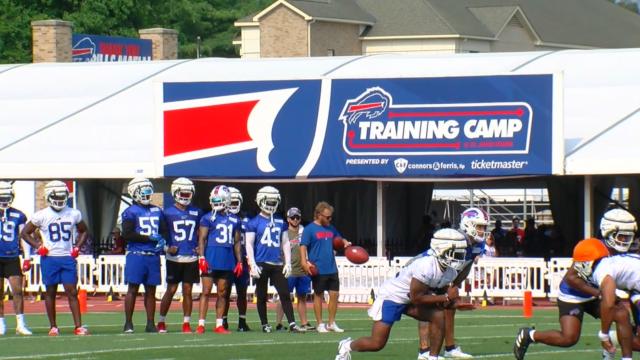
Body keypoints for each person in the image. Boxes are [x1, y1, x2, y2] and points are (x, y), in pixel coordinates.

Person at [513, 208, 637, 360]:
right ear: (608, 231)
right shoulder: (593, 249)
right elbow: (572, 278)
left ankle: (626, 358)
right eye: (621, 236)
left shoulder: (620, 253)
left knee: (622, 314)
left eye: (627, 237)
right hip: (573, 294)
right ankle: (530, 335)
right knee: (569, 338)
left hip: (597, 292)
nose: (625, 241)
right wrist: (598, 293)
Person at [335, 228, 469, 360]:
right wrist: (446, 297)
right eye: (456, 253)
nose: (459, 258)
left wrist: (455, 303)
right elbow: (417, 298)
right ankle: (346, 346)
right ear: (442, 249)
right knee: (377, 343)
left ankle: (433, 357)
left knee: (438, 316)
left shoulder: (449, 271)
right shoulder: (426, 265)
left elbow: (437, 295)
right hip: (392, 297)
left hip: (409, 299)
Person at [20, 180, 89, 336]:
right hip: (50, 258)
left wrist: (77, 246)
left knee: (72, 292)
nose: (59, 199)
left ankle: (78, 326)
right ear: (48, 196)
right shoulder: (41, 215)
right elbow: (24, 233)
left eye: (61, 195)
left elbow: (84, 231)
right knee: (50, 292)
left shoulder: (73, 213)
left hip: (66, 257)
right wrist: (38, 246)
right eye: (56, 196)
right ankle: (53, 326)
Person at [416, 207, 486, 359]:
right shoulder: (455, 238)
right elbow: (442, 261)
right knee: (427, 309)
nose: (482, 230)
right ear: (469, 224)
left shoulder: (478, 245)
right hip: (428, 273)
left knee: (449, 308)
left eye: (484, 227)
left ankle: (450, 348)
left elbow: (467, 265)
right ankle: (423, 352)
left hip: (445, 276)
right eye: (480, 226)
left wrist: (454, 285)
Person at [245, 186, 305, 333]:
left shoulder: (280, 222)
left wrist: (288, 263)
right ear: (261, 201)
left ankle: (291, 323)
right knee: (261, 294)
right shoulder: (253, 222)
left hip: (277, 262)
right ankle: (265, 324)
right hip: (261, 262)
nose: (271, 205)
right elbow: (249, 244)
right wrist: (252, 263)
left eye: (274, 202)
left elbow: (285, 242)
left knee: (285, 293)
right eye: (269, 201)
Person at [157, 178, 203, 333]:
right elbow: (160, 234)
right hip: (174, 258)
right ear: (175, 192)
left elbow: (201, 233)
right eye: (183, 193)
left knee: (188, 291)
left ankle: (186, 323)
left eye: (188, 193)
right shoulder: (167, 213)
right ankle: (161, 321)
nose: (185, 196)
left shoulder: (196, 212)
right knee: (171, 289)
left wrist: (199, 247)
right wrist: (166, 247)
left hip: (191, 256)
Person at [121, 177, 166, 333]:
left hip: (152, 255)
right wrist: (149, 238)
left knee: (151, 290)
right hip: (137, 254)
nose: (147, 194)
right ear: (134, 192)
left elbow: (164, 230)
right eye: (143, 191)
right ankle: (128, 323)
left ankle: (150, 323)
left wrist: (163, 240)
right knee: (132, 288)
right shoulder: (130, 212)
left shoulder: (157, 210)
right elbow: (127, 234)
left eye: (148, 190)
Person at [196, 185, 242, 334]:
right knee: (206, 291)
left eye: (219, 199)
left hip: (227, 259)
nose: (216, 202)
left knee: (222, 293)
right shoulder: (207, 218)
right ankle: (201, 324)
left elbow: (236, 242)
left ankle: (219, 324)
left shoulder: (235, 219)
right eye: (215, 199)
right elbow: (202, 239)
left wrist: (239, 261)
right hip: (210, 258)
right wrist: (202, 257)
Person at [300, 201, 351, 333]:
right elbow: (303, 246)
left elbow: (339, 239)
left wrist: (345, 242)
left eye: (330, 217)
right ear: (318, 215)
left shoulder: (331, 228)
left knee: (334, 295)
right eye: (327, 217)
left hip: (332, 267)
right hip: (318, 267)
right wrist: (304, 262)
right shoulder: (309, 229)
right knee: (318, 295)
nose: (329, 219)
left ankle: (331, 323)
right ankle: (320, 324)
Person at [0, 181, 32, 335]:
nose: (4, 200)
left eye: (6, 197)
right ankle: (1, 323)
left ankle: (20, 324)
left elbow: (23, 237)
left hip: (12, 256)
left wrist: (27, 257)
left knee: (17, 291)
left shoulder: (19, 214)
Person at [275, 207, 314, 331]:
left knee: (302, 297)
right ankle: (279, 323)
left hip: (302, 269)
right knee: (284, 297)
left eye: (297, 217)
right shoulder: (284, 233)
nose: (295, 220)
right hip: (289, 270)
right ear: (288, 219)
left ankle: (304, 322)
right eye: (293, 217)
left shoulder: (305, 231)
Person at [222, 186, 251, 332]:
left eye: (235, 203)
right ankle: (223, 320)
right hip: (228, 260)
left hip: (243, 261)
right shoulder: (222, 218)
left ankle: (242, 321)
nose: (233, 206)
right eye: (231, 203)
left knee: (242, 292)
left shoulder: (247, 220)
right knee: (224, 292)